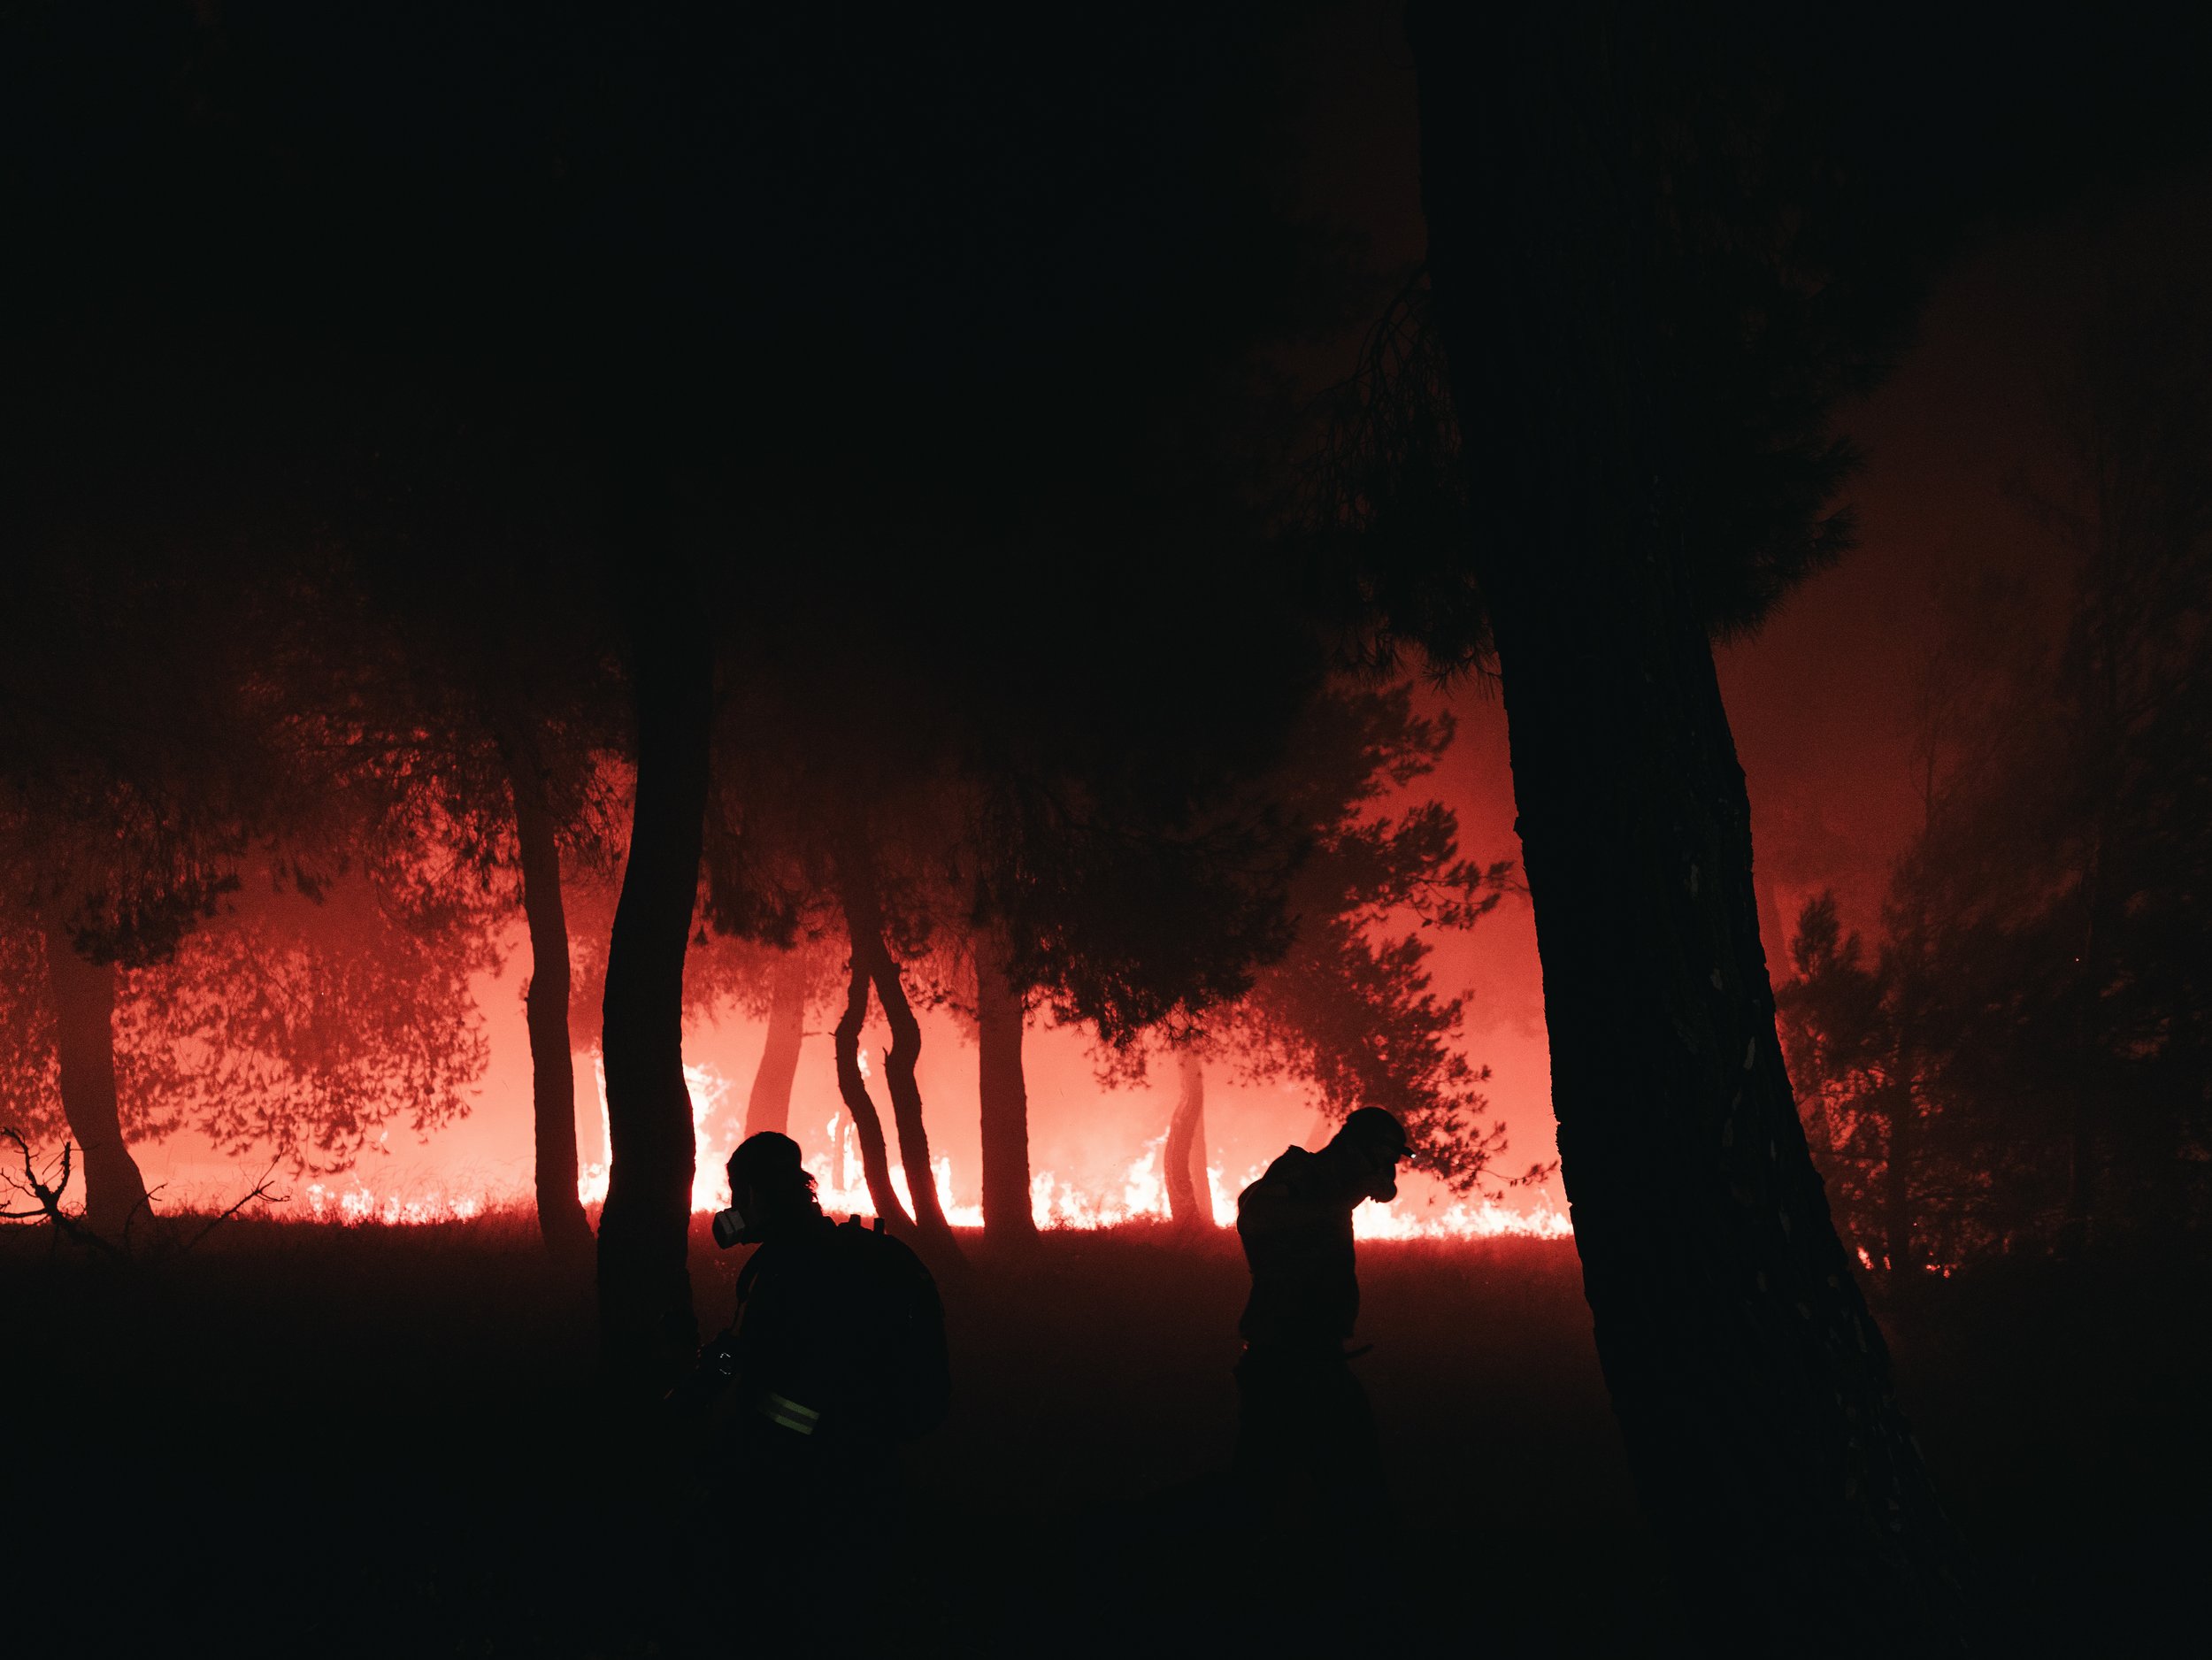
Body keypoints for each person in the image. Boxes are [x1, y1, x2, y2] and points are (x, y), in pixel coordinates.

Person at [680, 1132, 948, 1646]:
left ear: (756, 1195)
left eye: (738, 1194)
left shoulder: (788, 1270)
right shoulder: (841, 1255)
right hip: (869, 1470)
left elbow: (778, 1392)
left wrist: (718, 1457)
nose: (734, 1209)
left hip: (806, 1486)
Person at [1231, 1105, 1409, 1516]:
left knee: (1271, 1484)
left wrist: (1363, 1187)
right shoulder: (1300, 1172)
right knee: (1344, 1489)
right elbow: (1254, 1217)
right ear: (1361, 1149)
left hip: (1313, 1356)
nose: (1390, 1170)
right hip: (1286, 1360)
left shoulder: (1332, 1182)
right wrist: (1346, 1197)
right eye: (1386, 1158)